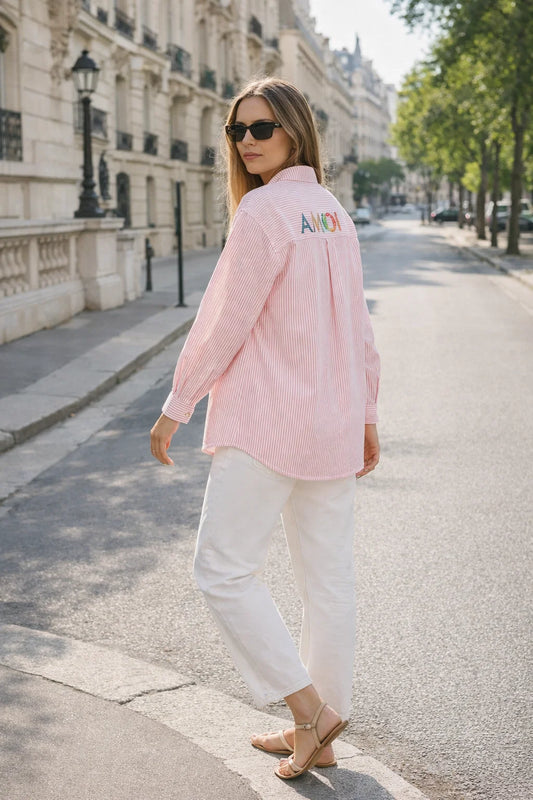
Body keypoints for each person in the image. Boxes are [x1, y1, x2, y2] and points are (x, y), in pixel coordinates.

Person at [150, 77, 380, 780]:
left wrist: (178, 402)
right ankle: (321, 731)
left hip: (267, 423)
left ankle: (309, 711)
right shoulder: (332, 211)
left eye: (261, 128)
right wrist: (366, 414)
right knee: (327, 581)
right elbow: (359, 327)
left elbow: (227, 318)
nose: (246, 142)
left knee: (220, 570)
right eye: (236, 130)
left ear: (295, 131)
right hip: (331, 422)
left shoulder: (263, 211)